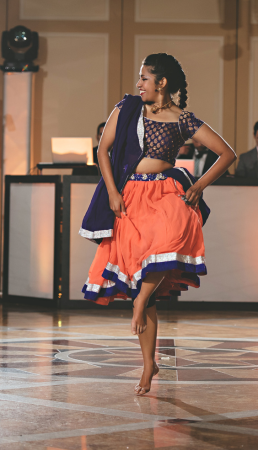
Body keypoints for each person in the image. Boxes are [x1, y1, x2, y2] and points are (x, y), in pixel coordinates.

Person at [79, 53, 236, 395]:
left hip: (167, 193)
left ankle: (139, 301)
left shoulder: (184, 120)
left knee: (174, 236)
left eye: (144, 78)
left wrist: (197, 186)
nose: (138, 84)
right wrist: (111, 192)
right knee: (142, 270)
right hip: (130, 195)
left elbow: (227, 154)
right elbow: (103, 151)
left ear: (161, 82)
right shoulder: (126, 109)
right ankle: (149, 362)